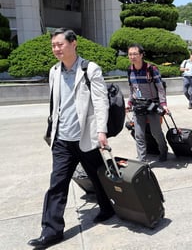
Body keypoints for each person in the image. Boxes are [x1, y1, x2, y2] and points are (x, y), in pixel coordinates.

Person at [28, 28, 114, 248]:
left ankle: (107, 208)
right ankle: (51, 230)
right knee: (57, 184)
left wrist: (101, 131)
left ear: (73, 43)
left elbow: (101, 101)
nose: (56, 49)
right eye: (54, 45)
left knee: (98, 177)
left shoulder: (90, 69)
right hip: (62, 140)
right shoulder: (54, 71)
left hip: (86, 137)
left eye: (60, 44)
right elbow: (56, 105)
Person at [126, 43, 169, 162]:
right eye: (130, 54)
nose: (132, 57)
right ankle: (142, 161)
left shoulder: (152, 69)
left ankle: (163, 150)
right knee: (139, 134)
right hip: (138, 106)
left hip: (152, 105)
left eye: (135, 54)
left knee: (156, 132)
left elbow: (160, 88)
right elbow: (132, 89)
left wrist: (163, 104)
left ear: (141, 55)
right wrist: (129, 103)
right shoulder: (130, 70)